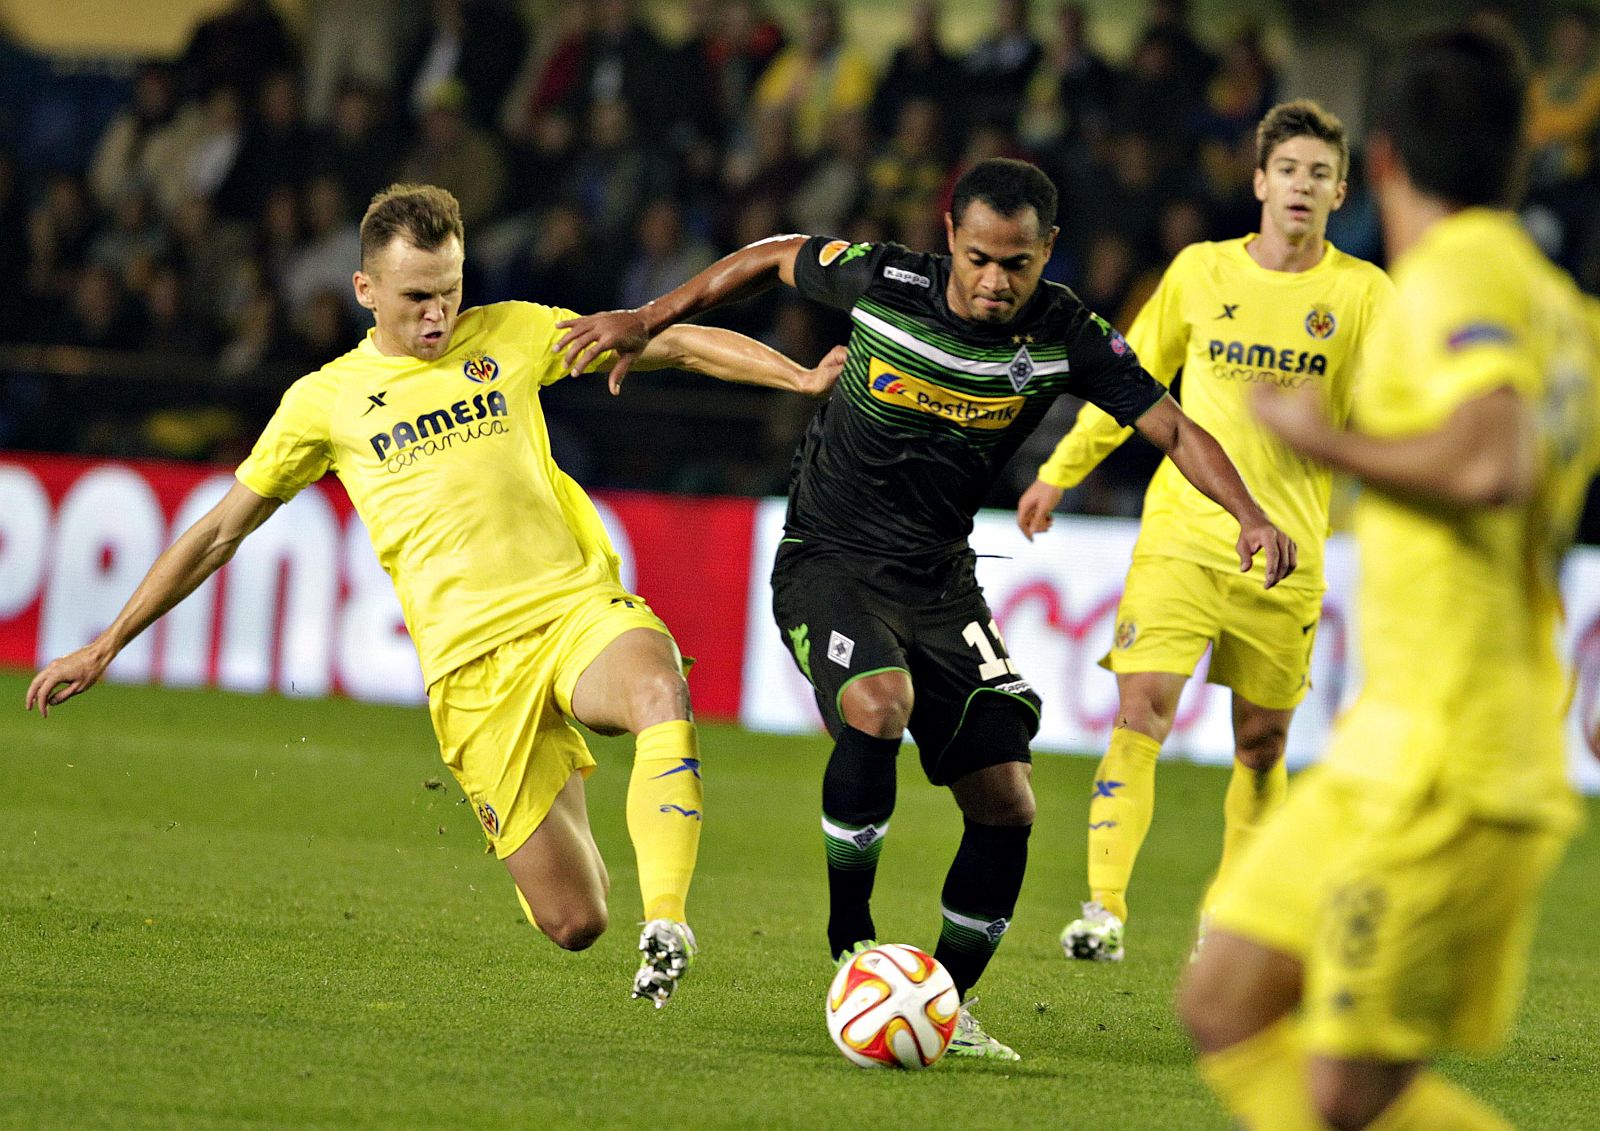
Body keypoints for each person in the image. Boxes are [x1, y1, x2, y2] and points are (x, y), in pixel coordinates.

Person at [25, 183, 844, 1010]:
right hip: (472, 673)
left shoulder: (514, 331)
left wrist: (800, 377)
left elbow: (668, 342)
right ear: (365, 290)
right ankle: (562, 797)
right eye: (417, 296)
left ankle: (667, 924)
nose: (437, 315)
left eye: (450, 291)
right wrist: (108, 641)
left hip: (571, 610)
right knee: (575, 919)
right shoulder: (324, 403)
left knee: (659, 687)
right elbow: (217, 533)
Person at [555, 157, 1295, 1058]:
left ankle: (940, 1001)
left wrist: (1251, 514)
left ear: (1047, 252)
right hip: (828, 558)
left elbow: (1171, 425)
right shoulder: (886, 278)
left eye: (1017, 264)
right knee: (879, 703)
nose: (994, 280)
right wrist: (648, 316)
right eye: (979, 257)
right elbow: (768, 254)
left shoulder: (1068, 332)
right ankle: (853, 943)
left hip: (941, 581)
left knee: (1009, 804)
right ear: (950, 236)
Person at [1178, 30, 1600, 1130]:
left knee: (1348, 1095)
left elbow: (1490, 458)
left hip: (1450, 762)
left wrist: (1324, 445)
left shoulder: (1461, 270)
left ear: (1385, 161)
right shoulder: (1558, 304)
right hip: (1394, 742)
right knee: (1223, 1001)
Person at [1016, 100, 1394, 962]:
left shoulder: (1364, 295)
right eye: (1288, 170)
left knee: (1261, 743)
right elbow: (1131, 382)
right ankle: (1102, 908)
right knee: (1142, 707)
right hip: (1183, 533)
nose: (1303, 185)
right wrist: (1059, 472)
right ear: (1260, 182)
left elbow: (1387, 417)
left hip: (1288, 554)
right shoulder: (1197, 273)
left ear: (1341, 192)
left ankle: (1227, 921)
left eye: (1320, 174)